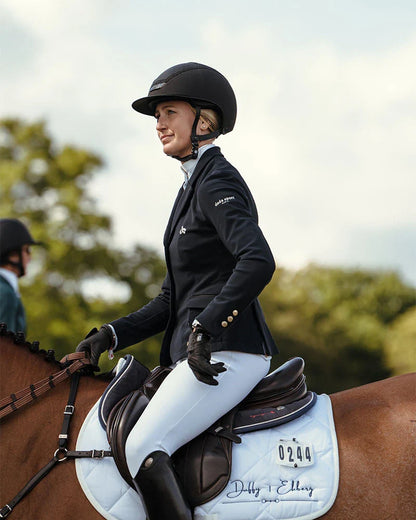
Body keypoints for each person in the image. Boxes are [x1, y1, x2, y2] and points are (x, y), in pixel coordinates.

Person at [76, 62, 278, 520]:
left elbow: (258, 260)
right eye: (156, 117)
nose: (160, 125)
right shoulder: (191, 188)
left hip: (229, 350)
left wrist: (207, 327)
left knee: (144, 445)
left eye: (169, 112)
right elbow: (172, 298)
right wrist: (109, 334)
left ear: (203, 121)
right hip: (198, 351)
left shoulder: (217, 181)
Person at [0, 218, 39, 334]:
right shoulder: (6, 293)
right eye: (27, 250)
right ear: (13, 255)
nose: (30, 258)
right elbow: (5, 349)